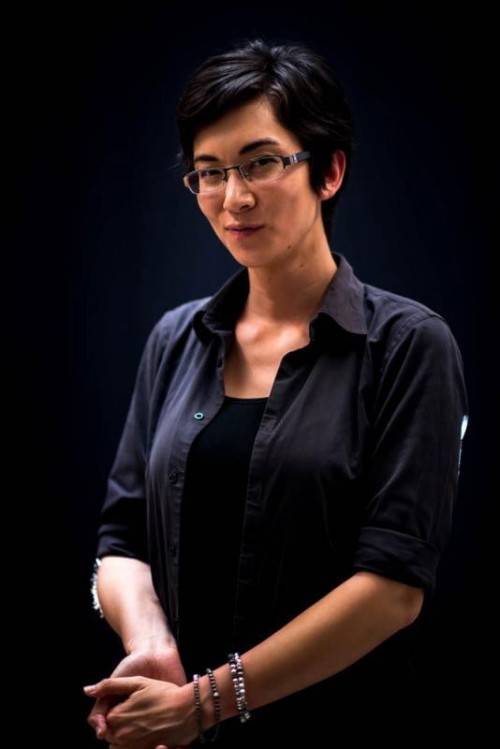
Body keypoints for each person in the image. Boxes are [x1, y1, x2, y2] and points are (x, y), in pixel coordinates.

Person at [84, 37, 468, 747]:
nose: (234, 197)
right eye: (209, 172)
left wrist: (205, 702)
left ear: (329, 171)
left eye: (261, 162)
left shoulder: (409, 345)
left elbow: (393, 587)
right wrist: (153, 645)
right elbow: (122, 539)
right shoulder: (176, 339)